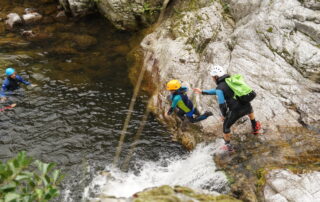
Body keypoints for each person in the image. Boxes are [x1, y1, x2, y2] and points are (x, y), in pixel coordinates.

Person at [193, 65, 261, 152]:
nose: (212, 79)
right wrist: (202, 92)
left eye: (213, 77)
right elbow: (218, 91)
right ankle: (255, 126)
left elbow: (222, 105)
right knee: (249, 109)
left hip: (236, 110)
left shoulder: (220, 87)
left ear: (216, 77)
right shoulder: (230, 80)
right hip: (246, 105)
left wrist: (224, 116)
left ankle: (228, 147)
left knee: (226, 127)